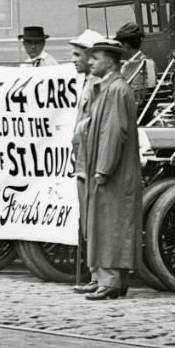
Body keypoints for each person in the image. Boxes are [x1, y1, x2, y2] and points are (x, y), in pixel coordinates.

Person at [79, 38, 143, 300]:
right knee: (103, 223)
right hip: (107, 168)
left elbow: (113, 133)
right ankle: (103, 277)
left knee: (112, 223)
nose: (90, 61)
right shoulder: (107, 89)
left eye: (96, 57)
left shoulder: (116, 90)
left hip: (113, 171)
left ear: (111, 61)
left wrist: (103, 168)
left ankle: (112, 281)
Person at [68, 28, 104, 264]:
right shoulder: (87, 83)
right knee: (86, 216)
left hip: (90, 157)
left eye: (77, 55)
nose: (73, 60)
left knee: (93, 216)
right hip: (82, 156)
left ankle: (94, 268)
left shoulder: (96, 85)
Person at [115, 22, 157, 107]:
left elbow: (139, 96)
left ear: (126, 46)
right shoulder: (129, 63)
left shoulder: (146, 64)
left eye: (120, 45)